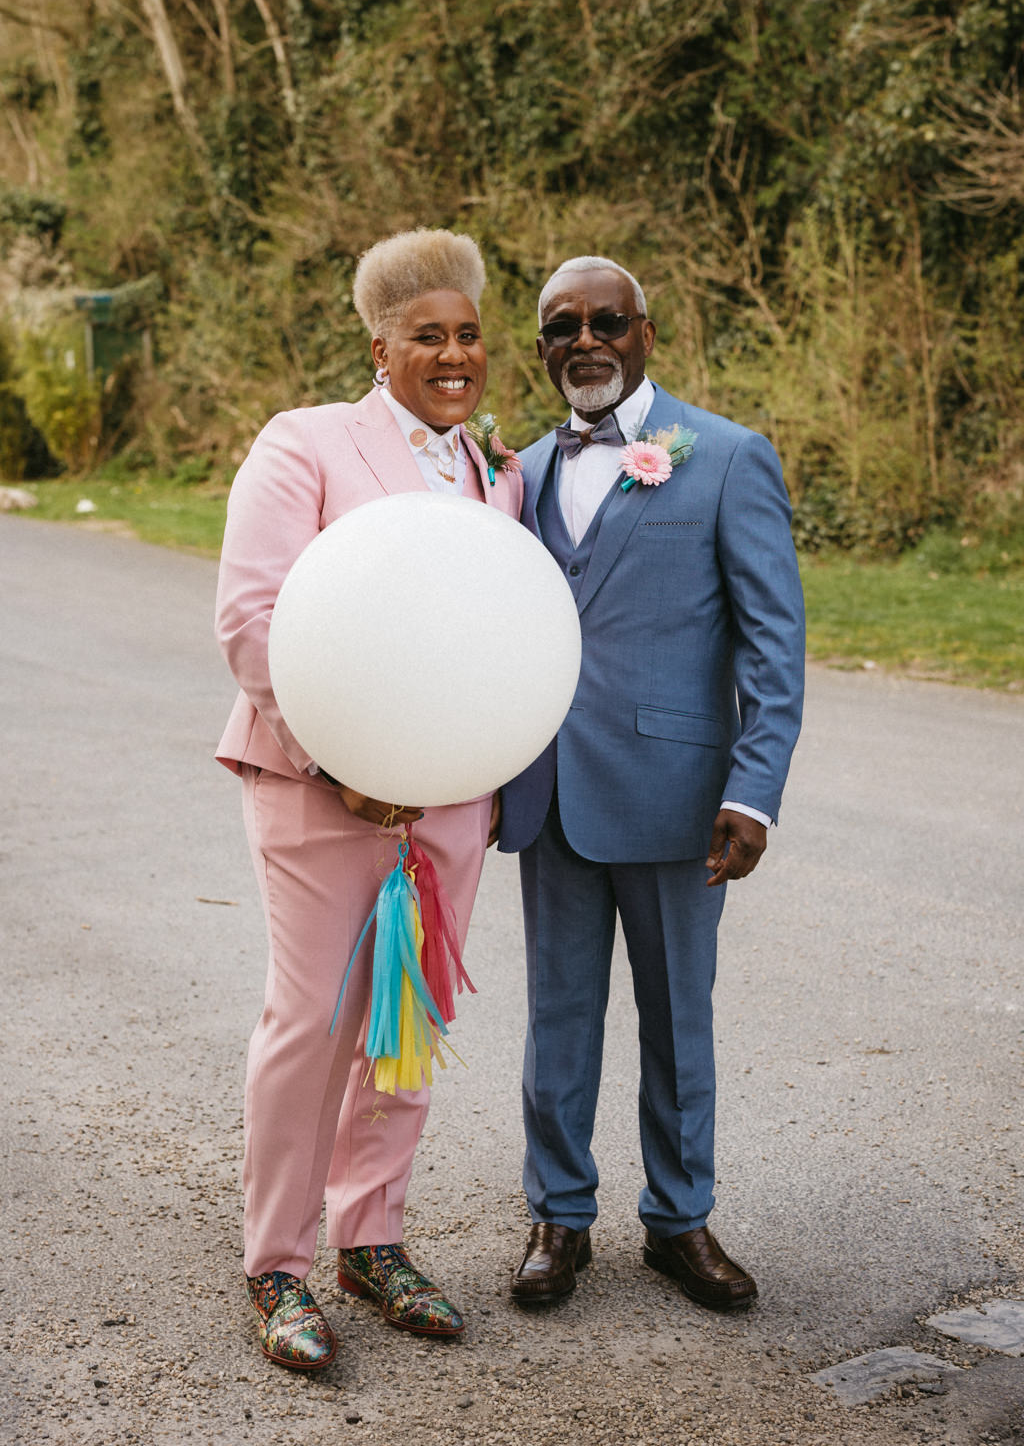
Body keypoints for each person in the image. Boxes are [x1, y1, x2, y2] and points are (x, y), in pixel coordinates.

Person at [214, 228, 523, 1369]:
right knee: (315, 1022)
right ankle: (279, 1266)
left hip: (448, 797)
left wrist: (473, 767)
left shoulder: (499, 472)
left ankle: (373, 1240)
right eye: (428, 336)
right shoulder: (306, 447)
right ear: (379, 345)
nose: (455, 354)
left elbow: (504, 632)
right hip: (320, 788)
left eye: (470, 334)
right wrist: (335, 755)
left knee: (409, 1019)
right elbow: (253, 619)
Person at [499, 255, 804, 1311]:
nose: (583, 340)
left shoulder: (722, 457)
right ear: (540, 347)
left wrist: (753, 790)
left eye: (605, 321)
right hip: (549, 796)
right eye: (559, 326)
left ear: (645, 331)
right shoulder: (520, 473)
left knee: (679, 1015)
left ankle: (679, 1220)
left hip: (680, 797)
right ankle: (557, 1215)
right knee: (557, 1013)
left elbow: (773, 641)